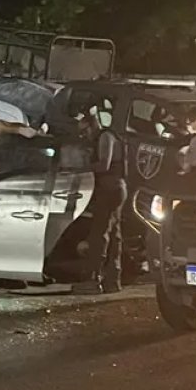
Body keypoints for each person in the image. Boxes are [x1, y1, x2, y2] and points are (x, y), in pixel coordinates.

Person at [73, 102, 126, 295]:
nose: (84, 135)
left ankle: (93, 280)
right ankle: (113, 281)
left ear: (92, 124)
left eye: (84, 130)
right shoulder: (106, 136)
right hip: (115, 188)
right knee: (114, 236)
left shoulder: (105, 137)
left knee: (100, 234)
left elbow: (104, 165)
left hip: (110, 189)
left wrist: (80, 169)